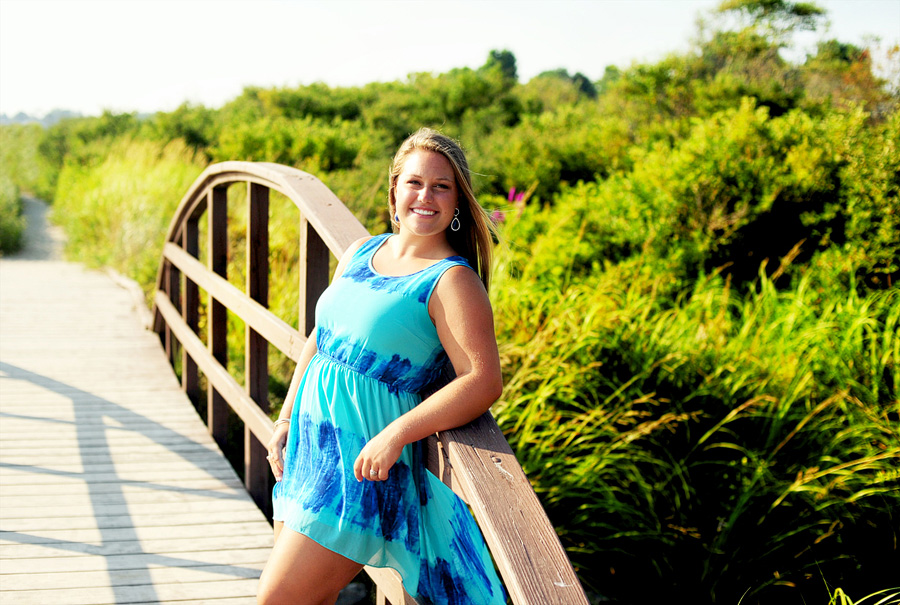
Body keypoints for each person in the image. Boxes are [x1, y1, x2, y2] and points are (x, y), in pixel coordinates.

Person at [257, 128, 507, 605]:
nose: (425, 196)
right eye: (414, 183)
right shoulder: (360, 252)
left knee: (277, 599)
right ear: (394, 190)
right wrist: (286, 416)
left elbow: (482, 380)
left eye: (442, 186)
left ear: (458, 202)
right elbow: (320, 340)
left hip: (359, 467)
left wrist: (396, 435)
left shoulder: (451, 280)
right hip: (310, 445)